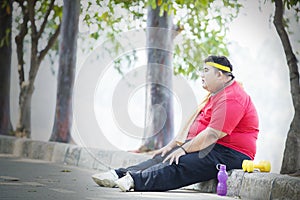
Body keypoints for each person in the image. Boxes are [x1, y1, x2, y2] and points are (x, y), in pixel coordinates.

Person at [92, 55, 259, 192]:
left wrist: (184, 149)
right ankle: (119, 175)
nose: (201, 74)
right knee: (164, 156)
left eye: (206, 70)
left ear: (220, 75)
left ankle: (135, 181)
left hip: (230, 153)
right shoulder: (217, 94)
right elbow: (199, 127)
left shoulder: (232, 97)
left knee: (180, 161)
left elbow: (212, 134)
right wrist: (175, 145)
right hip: (214, 147)